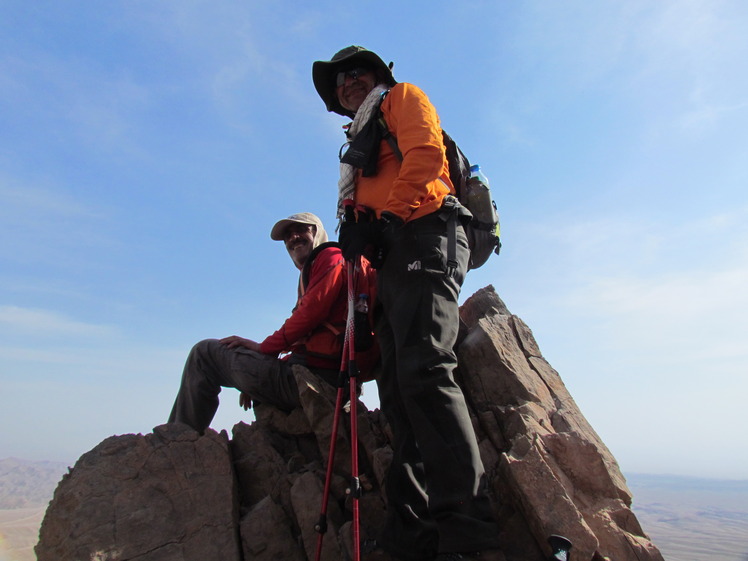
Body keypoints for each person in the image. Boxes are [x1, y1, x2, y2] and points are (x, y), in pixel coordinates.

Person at [312, 47, 502, 561]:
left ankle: (471, 538)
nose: (348, 82)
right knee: (398, 390)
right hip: (394, 255)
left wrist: (387, 221)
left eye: (358, 72)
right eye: (339, 79)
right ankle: (411, 533)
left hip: (426, 230)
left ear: (378, 75)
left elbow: (426, 155)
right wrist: (364, 239)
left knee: (424, 370)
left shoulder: (401, 98)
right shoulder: (357, 145)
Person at [168, 212, 351, 433]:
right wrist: (261, 362)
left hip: (316, 380)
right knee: (210, 354)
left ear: (317, 232)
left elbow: (311, 313)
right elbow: (307, 330)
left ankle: (179, 437)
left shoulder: (330, 257)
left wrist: (264, 350)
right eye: (287, 236)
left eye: (301, 230)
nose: (293, 238)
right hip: (317, 375)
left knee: (204, 354)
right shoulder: (314, 272)